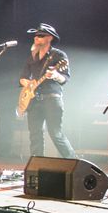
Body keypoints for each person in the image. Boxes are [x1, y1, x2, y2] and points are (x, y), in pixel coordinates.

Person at [19, 22, 75, 159]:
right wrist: (28, 83)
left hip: (52, 99)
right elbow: (22, 78)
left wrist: (55, 75)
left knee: (55, 134)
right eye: (36, 35)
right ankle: (37, 165)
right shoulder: (32, 56)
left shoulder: (59, 55)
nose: (36, 38)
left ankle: (74, 161)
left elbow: (65, 79)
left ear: (50, 38)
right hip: (34, 101)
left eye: (41, 35)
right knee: (35, 134)